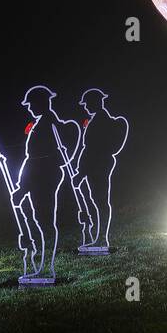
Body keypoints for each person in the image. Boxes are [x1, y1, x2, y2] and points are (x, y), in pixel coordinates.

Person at [12, 85, 82, 281]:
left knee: (44, 221)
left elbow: (39, 161)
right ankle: (41, 263)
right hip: (36, 176)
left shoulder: (49, 125)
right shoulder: (41, 123)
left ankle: (46, 267)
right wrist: (22, 186)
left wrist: (23, 187)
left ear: (42, 103)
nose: (29, 108)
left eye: (32, 104)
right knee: (39, 219)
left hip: (43, 177)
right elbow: (33, 160)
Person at [72, 88, 129, 252]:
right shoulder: (95, 120)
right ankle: (98, 237)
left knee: (100, 202)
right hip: (92, 166)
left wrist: (81, 173)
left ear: (96, 102)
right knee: (97, 201)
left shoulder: (100, 121)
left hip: (97, 166)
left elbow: (92, 150)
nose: (85, 107)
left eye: (87, 103)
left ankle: (102, 238)